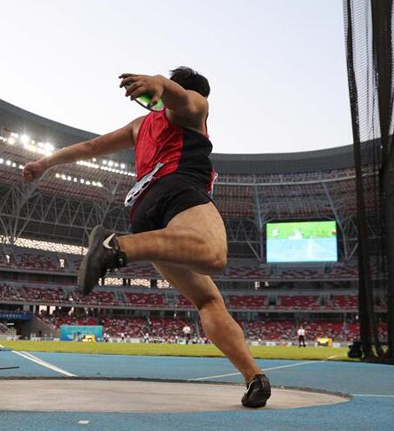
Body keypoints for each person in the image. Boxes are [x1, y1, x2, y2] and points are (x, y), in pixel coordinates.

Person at [24, 67, 270, 408]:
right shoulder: (193, 104)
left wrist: (45, 162)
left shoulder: (139, 127)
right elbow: (185, 99)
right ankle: (115, 245)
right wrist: (162, 83)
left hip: (144, 210)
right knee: (214, 254)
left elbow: (92, 146)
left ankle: (254, 378)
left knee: (208, 301)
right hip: (178, 187)